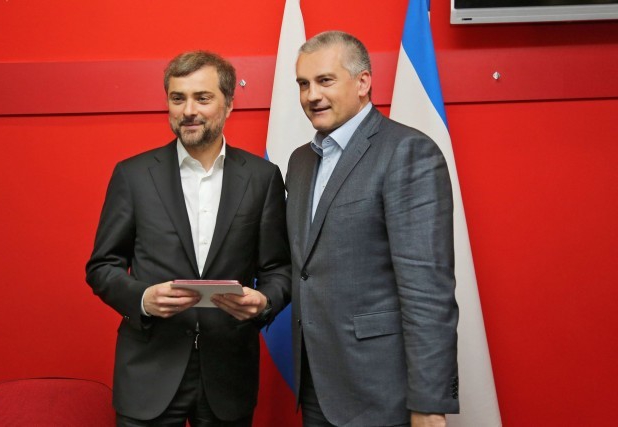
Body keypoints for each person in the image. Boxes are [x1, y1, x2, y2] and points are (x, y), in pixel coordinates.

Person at [86, 51, 291, 427]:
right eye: (178, 98)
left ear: (229, 104)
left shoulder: (263, 178)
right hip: (148, 373)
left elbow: (279, 268)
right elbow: (102, 266)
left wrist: (264, 301)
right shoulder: (133, 175)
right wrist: (143, 299)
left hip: (229, 375)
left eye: (202, 98)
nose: (188, 110)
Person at [286, 31, 459, 427]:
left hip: (382, 391)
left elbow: (428, 292)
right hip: (315, 385)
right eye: (303, 84)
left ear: (363, 82)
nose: (312, 95)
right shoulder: (300, 162)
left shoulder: (407, 151)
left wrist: (428, 403)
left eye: (325, 80)